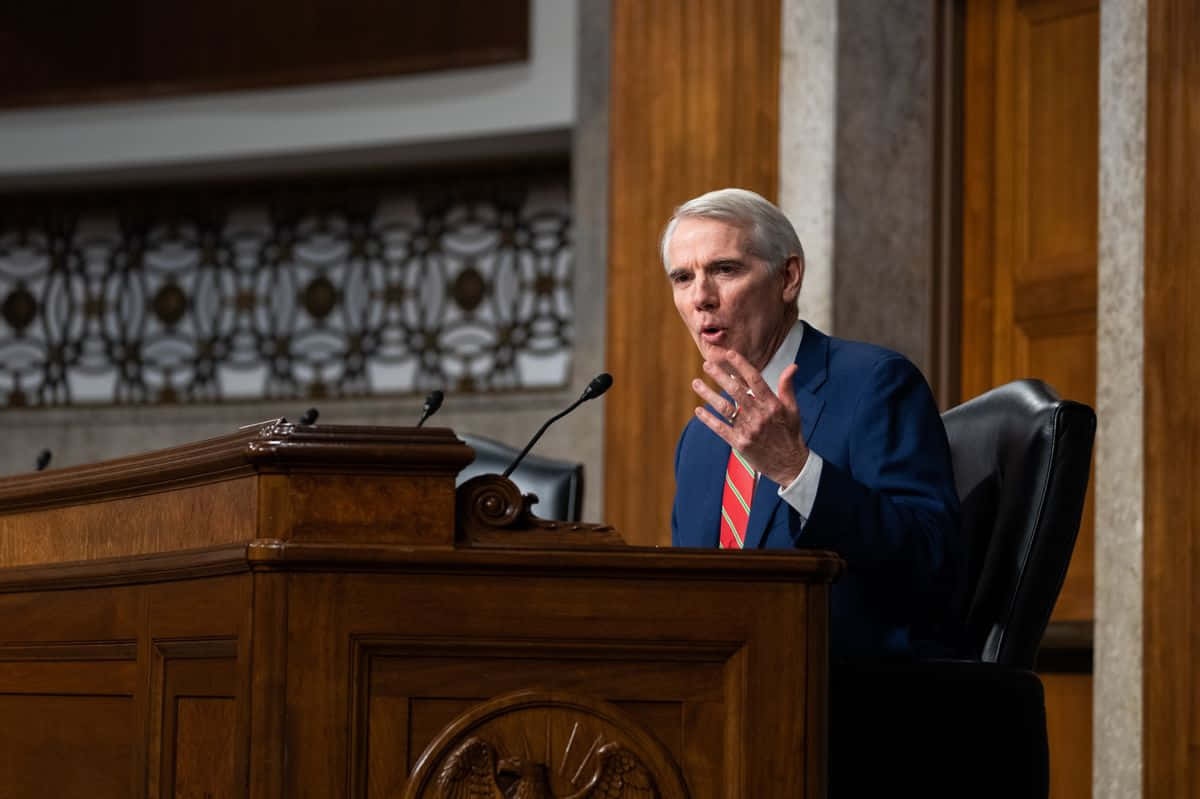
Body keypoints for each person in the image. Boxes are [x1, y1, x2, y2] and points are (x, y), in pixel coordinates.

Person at [665, 188, 963, 658]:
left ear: (788, 277)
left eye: (725, 269)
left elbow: (931, 562)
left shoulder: (875, 385)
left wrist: (796, 470)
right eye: (683, 277)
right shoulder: (700, 438)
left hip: (849, 699)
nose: (701, 297)